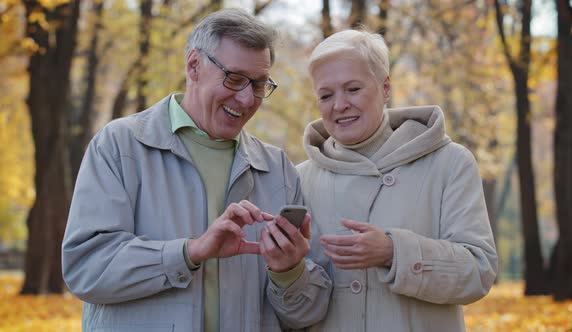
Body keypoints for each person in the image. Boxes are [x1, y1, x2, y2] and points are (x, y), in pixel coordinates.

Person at [62, 9, 332, 332]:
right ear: (193, 66)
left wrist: (289, 272)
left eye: (259, 85)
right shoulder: (120, 146)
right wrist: (190, 252)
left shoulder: (279, 169)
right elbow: (86, 268)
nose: (246, 99)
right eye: (234, 78)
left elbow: (308, 315)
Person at [297, 29, 498, 331]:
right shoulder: (299, 178)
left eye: (353, 89)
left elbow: (478, 272)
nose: (339, 105)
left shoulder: (449, 163)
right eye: (326, 95)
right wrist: (285, 270)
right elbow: (291, 310)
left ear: (385, 87)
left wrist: (393, 252)